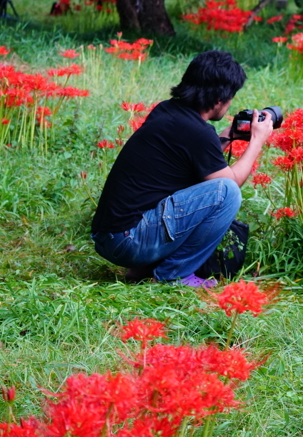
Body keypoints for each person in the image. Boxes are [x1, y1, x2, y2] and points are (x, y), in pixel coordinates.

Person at [90, 51, 274, 288]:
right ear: (219, 99)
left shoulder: (167, 110)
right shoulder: (198, 133)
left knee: (210, 186)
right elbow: (232, 181)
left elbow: (190, 157)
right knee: (227, 192)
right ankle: (173, 274)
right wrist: (257, 141)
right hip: (128, 242)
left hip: (110, 237)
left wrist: (228, 136)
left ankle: (143, 269)